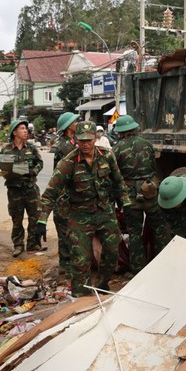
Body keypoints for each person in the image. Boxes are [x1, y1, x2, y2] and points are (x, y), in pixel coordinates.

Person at [38, 122, 130, 295]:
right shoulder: (68, 162)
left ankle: (102, 284)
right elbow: (50, 192)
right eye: (81, 140)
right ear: (76, 139)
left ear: (96, 138)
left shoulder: (107, 156)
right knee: (80, 260)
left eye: (89, 140)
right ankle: (81, 296)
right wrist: (42, 220)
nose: (86, 144)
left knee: (112, 253)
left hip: (105, 212)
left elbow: (119, 182)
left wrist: (125, 202)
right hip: (80, 216)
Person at [112, 115, 166, 275]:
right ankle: (163, 264)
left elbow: (115, 176)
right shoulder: (147, 144)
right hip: (150, 192)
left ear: (120, 132)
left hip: (130, 197)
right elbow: (154, 168)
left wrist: (118, 199)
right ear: (134, 128)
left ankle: (138, 270)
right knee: (159, 229)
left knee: (135, 232)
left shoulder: (117, 149)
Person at [0, 119, 44, 257]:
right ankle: (18, 245)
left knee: (35, 217)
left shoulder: (31, 148)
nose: (25, 131)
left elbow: (40, 163)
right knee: (17, 219)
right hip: (14, 189)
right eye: (22, 128)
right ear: (14, 132)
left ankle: (32, 244)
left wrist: (33, 171)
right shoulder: (6, 149)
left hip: (30, 188)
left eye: (26, 129)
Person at [49, 112, 79, 277]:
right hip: (64, 195)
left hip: (67, 193)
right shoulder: (66, 146)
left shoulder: (70, 142)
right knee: (65, 231)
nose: (78, 123)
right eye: (75, 122)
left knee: (68, 231)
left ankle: (67, 265)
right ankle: (65, 266)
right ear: (69, 126)